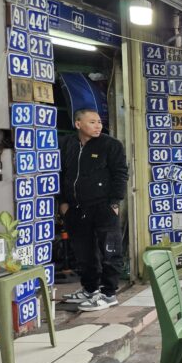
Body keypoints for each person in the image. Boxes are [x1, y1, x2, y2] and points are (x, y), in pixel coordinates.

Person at [59, 109, 129, 312]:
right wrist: (63, 202)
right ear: (78, 124)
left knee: (110, 250)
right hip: (76, 208)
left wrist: (114, 202)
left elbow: (120, 174)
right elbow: (61, 172)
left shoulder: (111, 145)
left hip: (103, 207)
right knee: (84, 252)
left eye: (99, 122)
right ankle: (89, 289)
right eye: (92, 122)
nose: (98, 125)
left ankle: (109, 293)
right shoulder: (68, 144)